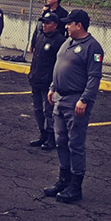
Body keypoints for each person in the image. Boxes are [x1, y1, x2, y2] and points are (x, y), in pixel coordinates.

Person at [44, 9, 104, 202]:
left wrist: (85, 99)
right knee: (61, 140)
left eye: (69, 23)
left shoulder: (92, 47)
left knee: (75, 143)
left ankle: (75, 187)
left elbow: (94, 77)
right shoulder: (67, 42)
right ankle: (64, 180)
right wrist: (53, 87)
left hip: (76, 100)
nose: (66, 26)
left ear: (79, 25)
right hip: (60, 98)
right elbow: (58, 65)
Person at [28, 10, 64, 149]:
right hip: (36, 79)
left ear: (55, 25)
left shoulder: (59, 41)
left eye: (47, 23)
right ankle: (42, 134)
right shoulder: (41, 36)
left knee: (48, 111)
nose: (44, 25)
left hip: (48, 82)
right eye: (43, 22)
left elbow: (58, 64)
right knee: (38, 109)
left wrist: (53, 84)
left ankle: (50, 137)